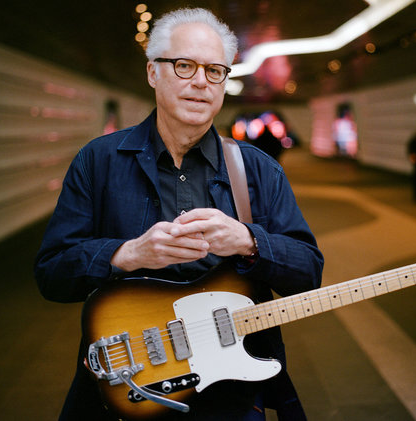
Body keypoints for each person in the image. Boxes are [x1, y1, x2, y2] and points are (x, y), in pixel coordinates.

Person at [34, 7, 323, 421]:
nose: (201, 82)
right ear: (153, 73)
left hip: (231, 396)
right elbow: (51, 273)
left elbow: (309, 271)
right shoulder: (98, 162)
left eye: (215, 70)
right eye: (185, 66)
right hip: (127, 388)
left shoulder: (258, 170)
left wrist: (248, 241)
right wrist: (127, 254)